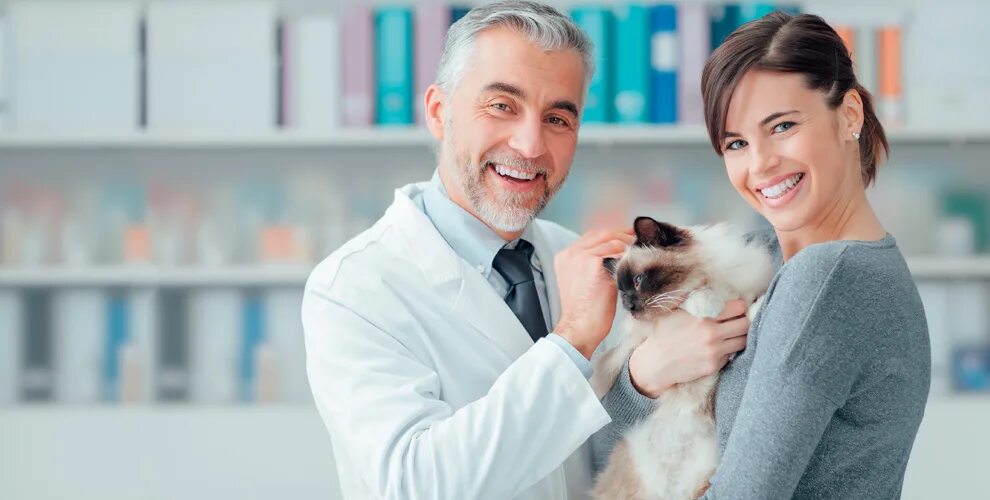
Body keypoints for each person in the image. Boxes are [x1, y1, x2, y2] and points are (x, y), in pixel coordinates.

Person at [301, 2, 749, 499]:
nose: (531, 145)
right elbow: (414, 483)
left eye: (557, 118)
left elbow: (597, 457)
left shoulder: (580, 259)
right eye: (502, 106)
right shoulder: (352, 287)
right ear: (438, 112)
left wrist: (641, 383)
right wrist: (572, 340)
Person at [596, 12, 931, 499]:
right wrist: (646, 375)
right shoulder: (767, 258)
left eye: (783, 126)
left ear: (850, 115)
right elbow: (605, 455)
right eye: (736, 143)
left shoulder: (828, 279)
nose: (760, 164)